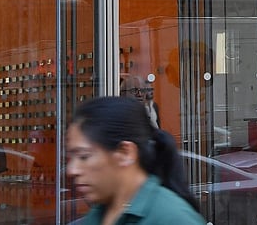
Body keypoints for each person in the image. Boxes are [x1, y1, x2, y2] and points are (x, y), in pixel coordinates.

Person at [66, 96, 205, 224]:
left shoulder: (172, 217)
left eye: (84, 156)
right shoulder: (99, 214)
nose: (72, 170)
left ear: (125, 153)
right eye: (72, 156)